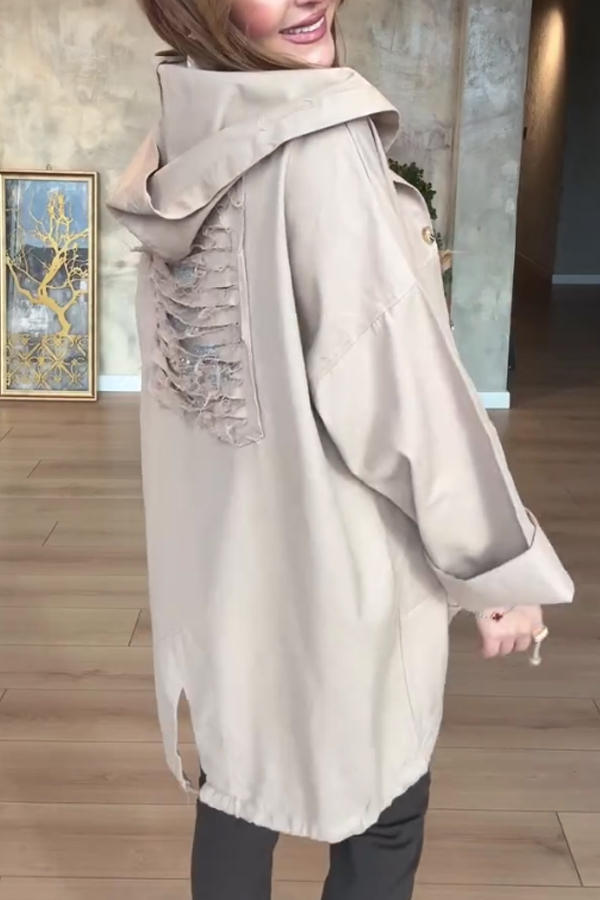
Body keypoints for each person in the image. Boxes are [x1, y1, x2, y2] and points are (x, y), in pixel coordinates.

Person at [108, 1, 574, 897]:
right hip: (340, 560)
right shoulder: (317, 144)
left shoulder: (185, 126)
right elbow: (402, 394)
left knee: (239, 780)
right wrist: (497, 573)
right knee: (387, 806)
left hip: (225, 561)